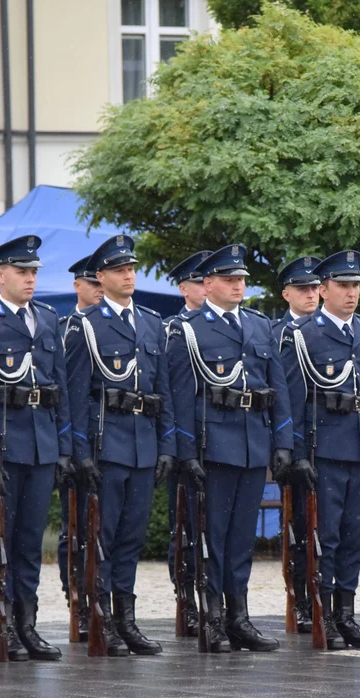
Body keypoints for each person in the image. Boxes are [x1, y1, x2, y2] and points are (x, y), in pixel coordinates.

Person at [167, 244, 293, 653]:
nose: (238, 286)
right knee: (213, 537)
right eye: (229, 279)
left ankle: (239, 617)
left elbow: (279, 391)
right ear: (208, 284)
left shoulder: (259, 326)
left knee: (241, 538)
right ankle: (213, 617)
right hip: (213, 446)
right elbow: (181, 398)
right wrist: (186, 453)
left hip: (253, 444)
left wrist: (283, 442)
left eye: (241, 279)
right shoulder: (189, 331)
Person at [0, 235, 73, 662]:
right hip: (5, 448)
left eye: (34, 272)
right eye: (22, 272)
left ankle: (28, 624)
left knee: (28, 542)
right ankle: (3, 621)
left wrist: (62, 448)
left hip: (41, 446)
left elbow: (59, 391)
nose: (30, 279)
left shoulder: (47, 319)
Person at [282, 250, 360, 650]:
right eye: (343, 286)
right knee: (324, 536)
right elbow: (293, 402)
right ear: (324, 288)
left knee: (353, 536)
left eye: (356, 286)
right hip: (325, 448)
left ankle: (346, 614)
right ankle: (322, 613)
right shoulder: (303, 335)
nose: (351, 293)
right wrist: (297, 454)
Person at [64, 235, 174, 656]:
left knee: (131, 537)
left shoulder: (149, 323)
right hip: (106, 444)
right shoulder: (85, 326)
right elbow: (76, 397)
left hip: (143, 443)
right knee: (102, 538)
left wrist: (166, 446)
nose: (129, 275)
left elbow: (162, 390)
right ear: (101, 277)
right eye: (120, 270)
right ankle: (101, 619)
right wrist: (81, 453)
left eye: (131, 269)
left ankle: (127, 620)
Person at [161, 249, 211, 637]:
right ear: (184, 288)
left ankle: (214, 602)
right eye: (199, 281)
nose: (205, 288)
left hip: (219, 441)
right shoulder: (174, 330)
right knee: (188, 530)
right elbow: (174, 396)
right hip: (188, 444)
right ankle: (187, 600)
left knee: (215, 532)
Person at [271, 255, 321, 634]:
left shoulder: (336, 331)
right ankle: (302, 600)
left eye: (315, 287)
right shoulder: (278, 335)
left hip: (332, 445)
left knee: (330, 532)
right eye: (302, 288)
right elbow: (285, 399)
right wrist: (292, 450)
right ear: (286, 293)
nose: (310, 294)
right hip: (300, 449)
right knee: (302, 530)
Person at [56, 253, 104, 642]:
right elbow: (68, 397)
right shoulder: (69, 328)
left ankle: (103, 601)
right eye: (94, 284)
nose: (100, 291)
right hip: (81, 442)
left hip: (111, 441)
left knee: (106, 530)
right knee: (76, 529)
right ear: (78, 285)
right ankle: (79, 602)